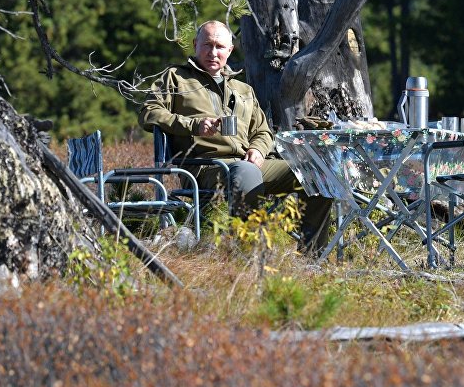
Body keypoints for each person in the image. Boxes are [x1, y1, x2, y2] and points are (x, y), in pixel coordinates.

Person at [139, 21, 333, 253]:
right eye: (207, 45)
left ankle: (313, 255)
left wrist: (259, 150)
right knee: (246, 172)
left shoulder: (243, 89)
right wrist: (193, 125)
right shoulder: (176, 78)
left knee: (318, 172)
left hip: (248, 164)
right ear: (195, 45)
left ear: (230, 51)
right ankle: (246, 256)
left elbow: (262, 131)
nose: (213, 52)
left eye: (220, 46)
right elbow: (149, 113)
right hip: (205, 167)